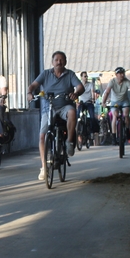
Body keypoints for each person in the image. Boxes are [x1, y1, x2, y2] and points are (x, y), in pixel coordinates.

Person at [26, 51, 84, 181]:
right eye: (56, 60)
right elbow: (33, 85)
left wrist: (76, 93)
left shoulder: (70, 74)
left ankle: (69, 141)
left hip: (65, 106)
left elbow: (80, 87)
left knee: (72, 112)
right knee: (42, 136)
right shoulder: (45, 74)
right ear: (52, 62)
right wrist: (29, 93)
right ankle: (43, 167)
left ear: (65, 62)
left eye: (61, 60)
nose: (59, 62)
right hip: (48, 107)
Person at [101, 67, 130, 143]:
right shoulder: (112, 81)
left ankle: (127, 129)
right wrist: (103, 102)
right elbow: (107, 92)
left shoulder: (127, 81)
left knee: (126, 114)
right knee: (115, 115)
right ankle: (114, 137)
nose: (122, 75)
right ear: (116, 74)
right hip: (114, 102)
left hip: (125, 101)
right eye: (120, 73)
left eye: (123, 73)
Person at [76, 70, 99, 144]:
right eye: (85, 76)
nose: (86, 77)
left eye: (87, 76)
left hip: (89, 102)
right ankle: (77, 130)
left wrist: (93, 99)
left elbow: (92, 92)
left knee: (92, 116)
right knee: (77, 115)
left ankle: (92, 131)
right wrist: (77, 101)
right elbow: (76, 93)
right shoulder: (78, 85)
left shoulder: (90, 84)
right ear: (81, 77)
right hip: (82, 103)